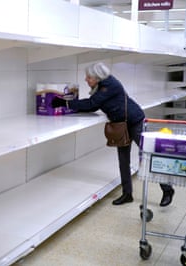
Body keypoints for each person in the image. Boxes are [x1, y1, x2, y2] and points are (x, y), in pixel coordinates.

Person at [51, 62, 174, 206]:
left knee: (148, 155)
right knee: (123, 161)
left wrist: (65, 104)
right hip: (120, 125)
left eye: (88, 77)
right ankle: (127, 194)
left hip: (134, 122)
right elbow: (94, 105)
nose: (86, 80)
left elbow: (91, 103)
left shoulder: (109, 85)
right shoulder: (100, 87)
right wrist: (70, 106)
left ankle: (167, 189)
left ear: (97, 77)